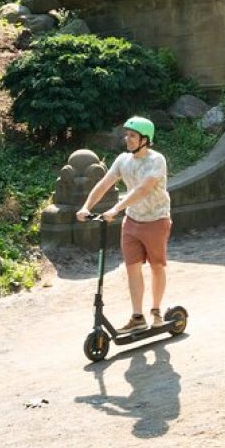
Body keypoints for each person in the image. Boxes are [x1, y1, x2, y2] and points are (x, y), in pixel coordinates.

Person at [76, 116, 172, 333]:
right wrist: (86, 206)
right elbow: (104, 184)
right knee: (132, 268)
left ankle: (156, 311)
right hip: (132, 221)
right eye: (126, 135)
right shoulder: (122, 160)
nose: (127, 139)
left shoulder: (156, 160)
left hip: (156, 219)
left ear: (145, 139)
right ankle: (138, 316)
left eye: (132, 136)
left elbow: (143, 189)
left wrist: (116, 209)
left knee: (157, 266)